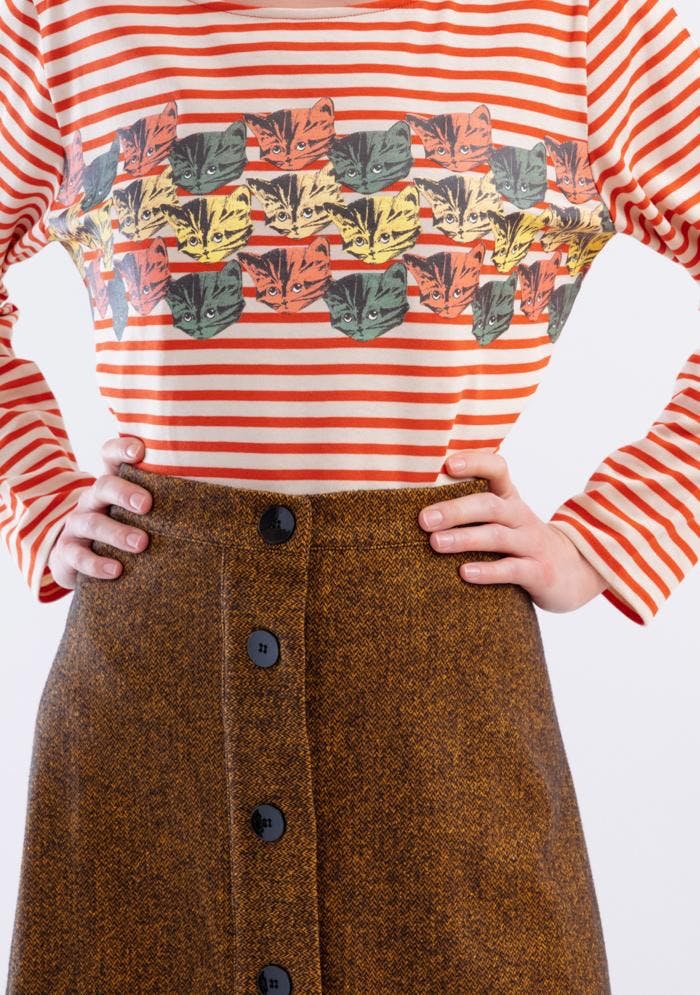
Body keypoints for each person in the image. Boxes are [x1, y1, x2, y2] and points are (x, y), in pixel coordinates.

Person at [1, 0, 698, 991]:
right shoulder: (66, 22)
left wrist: (612, 533)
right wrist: (36, 494)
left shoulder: (580, 26)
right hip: (148, 709)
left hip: (442, 706)